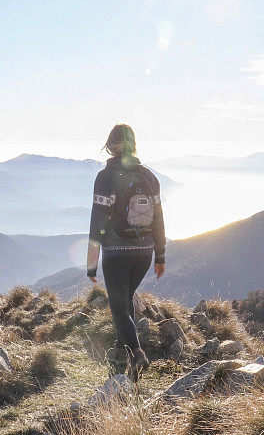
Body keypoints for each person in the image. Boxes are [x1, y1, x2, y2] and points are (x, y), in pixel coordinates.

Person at [87, 124, 165, 382]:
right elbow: (159, 219)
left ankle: (136, 353)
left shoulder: (105, 177)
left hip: (117, 252)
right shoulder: (150, 177)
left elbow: (98, 221)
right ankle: (123, 347)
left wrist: (91, 263)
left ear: (110, 146)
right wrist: (160, 255)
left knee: (118, 305)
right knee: (126, 297)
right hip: (144, 252)